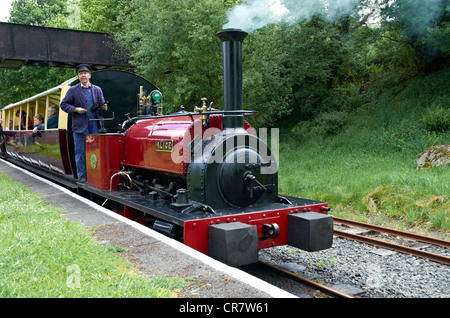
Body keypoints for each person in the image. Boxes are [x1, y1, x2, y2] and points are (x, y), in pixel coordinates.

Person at [60, 64, 107, 182]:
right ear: (78, 76)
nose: (83, 75)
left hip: (95, 124)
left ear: (89, 75)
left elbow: (103, 108)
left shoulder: (97, 89)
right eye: (81, 74)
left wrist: (104, 107)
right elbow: (63, 105)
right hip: (80, 125)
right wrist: (76, 110)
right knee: (80, 152)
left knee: (96, 151)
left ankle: (96, 175)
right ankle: (82, 176)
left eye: (85, 73)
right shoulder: (72, 90)